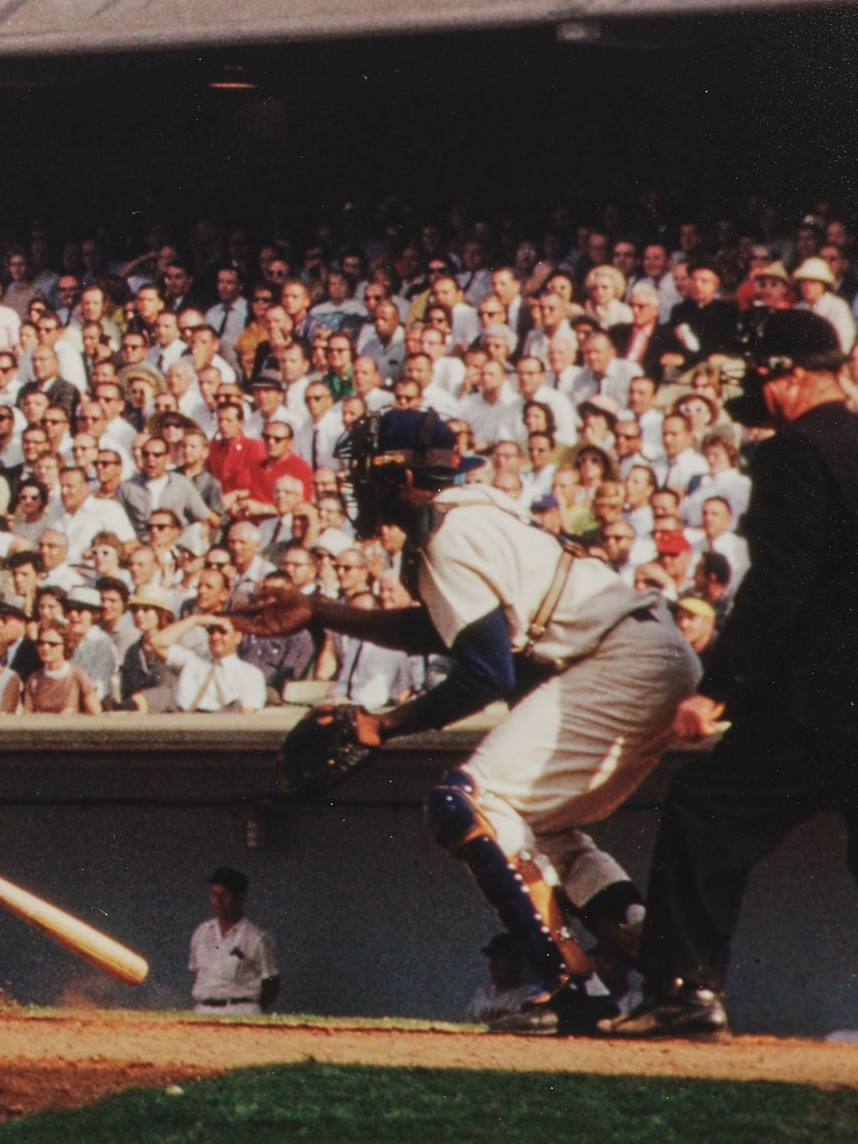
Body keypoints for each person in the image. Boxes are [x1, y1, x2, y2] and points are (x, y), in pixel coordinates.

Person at [233, 407, 697, 1033]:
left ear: (400, 477)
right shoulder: (469, 513)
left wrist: (383, 726)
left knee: (463, 804)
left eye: (366, 471)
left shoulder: (446, 536)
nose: (354, 485)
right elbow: (445, 628)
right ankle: (673, 980)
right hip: (644, 652)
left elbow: (486, 674)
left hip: (617, 658)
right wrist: (321, 610)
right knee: (537, 827)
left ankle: (573, 988)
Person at [623, 312, 858, 1043]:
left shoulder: (793, 453)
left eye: (756, 371)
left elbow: (780, 585)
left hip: (838, 695)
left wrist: (716, 688)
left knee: (705, 809)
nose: (747, 385)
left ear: (791, 374)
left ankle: (683, 991)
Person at [188, 867, 281, 1017]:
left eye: (224, 895)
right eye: (214, 895)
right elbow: (199, 972)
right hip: (204, 1011)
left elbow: (271, 983)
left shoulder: (256, 938)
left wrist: (254, 1009)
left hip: (240, 1010)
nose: (217, 901)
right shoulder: (202, 933)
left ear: (240, 898)